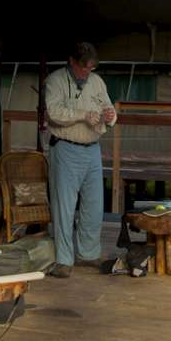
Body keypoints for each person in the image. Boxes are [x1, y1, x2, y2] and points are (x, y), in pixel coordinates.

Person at [43, 42, 117, 278]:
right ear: (71, 62)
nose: (87, 73)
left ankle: (88, 253)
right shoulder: (55, 81)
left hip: (93, 148)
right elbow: (54, 113)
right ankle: (64, 259)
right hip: (66, 148)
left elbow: (108, 107)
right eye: (84, 68)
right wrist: (82, 115)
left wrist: (111, 115)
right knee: (64, 206)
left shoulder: (96, 82)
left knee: (94, 204)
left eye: (91, 68)